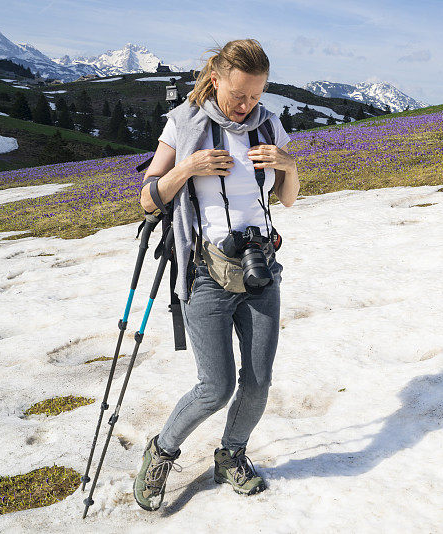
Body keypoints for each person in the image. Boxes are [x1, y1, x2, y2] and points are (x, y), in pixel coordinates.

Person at [132, 39, 299, 511]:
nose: (247, 106)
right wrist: (188, 166)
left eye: (256, 95)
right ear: (215, 80)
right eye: (239, 95)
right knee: (216, 386)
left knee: (259, 379)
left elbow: (287, 198)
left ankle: (231, 455)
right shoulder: (184, 123)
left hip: (260, 268)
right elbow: (147, 200)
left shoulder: (268, 123)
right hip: (205, 272)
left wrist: (289, 166)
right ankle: (161, 452)